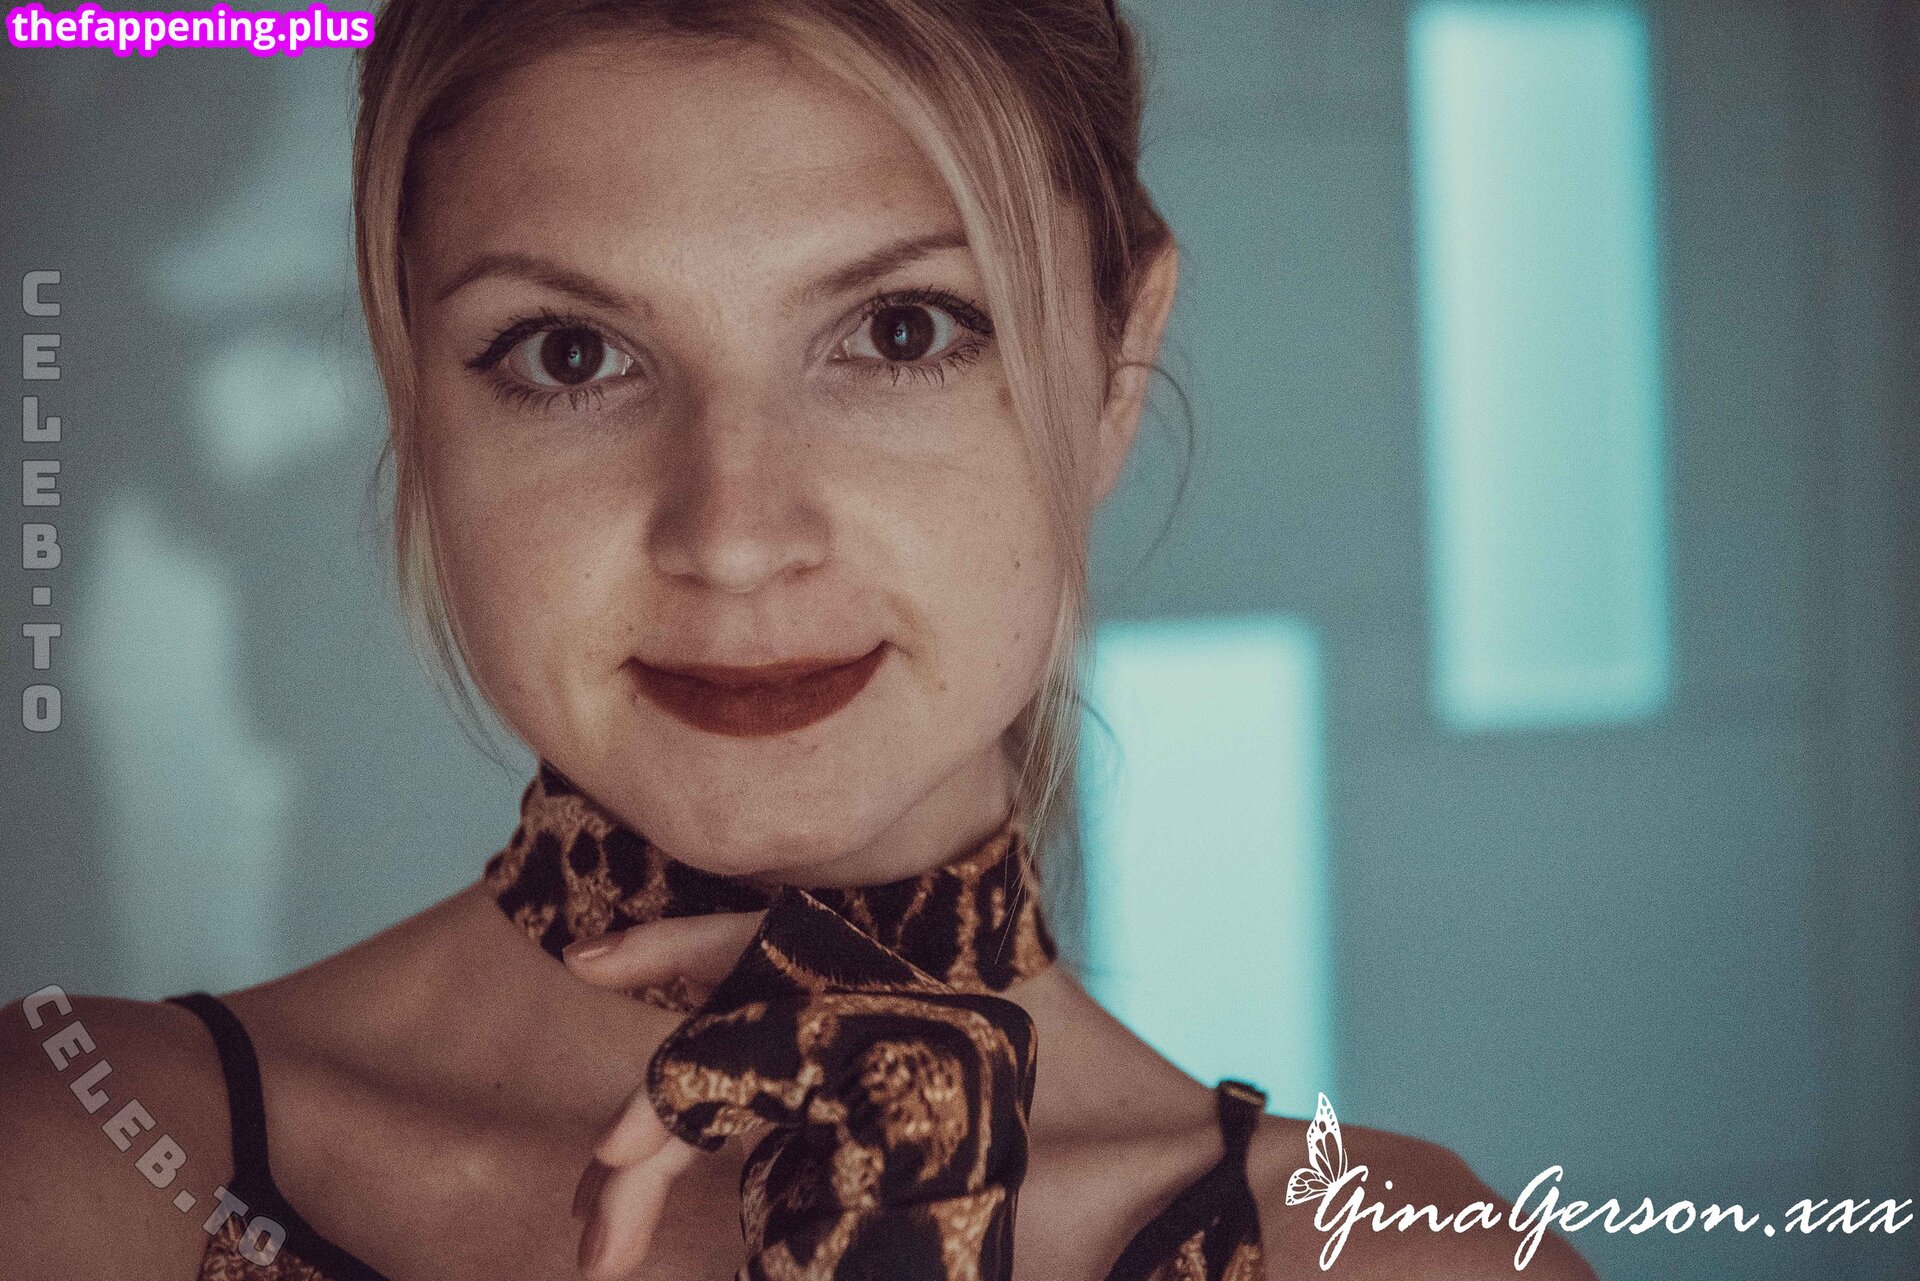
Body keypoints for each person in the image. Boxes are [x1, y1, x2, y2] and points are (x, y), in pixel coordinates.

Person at [3, 2, 1597, 1278]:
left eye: (902, 331)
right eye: (570, 353)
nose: (735, 532)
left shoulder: (1408, 1257)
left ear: (1114, 372)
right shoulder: (70, 1159)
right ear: (415, 387)